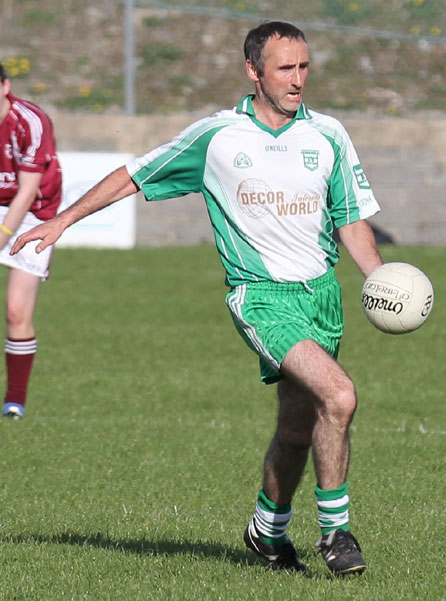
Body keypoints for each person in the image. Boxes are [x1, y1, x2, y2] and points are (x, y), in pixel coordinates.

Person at [11, 22, 383, 574]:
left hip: (321, 297)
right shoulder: (218, 137)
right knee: (341, 396)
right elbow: (135, 174)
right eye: (285, 68)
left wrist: (379, 282)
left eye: (304, 67)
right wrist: (62, 220)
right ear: (253, 72)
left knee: (297, 426)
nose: (298, 79)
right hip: (260, 298)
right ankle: (337, 534)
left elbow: (351, 223)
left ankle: (267, 530)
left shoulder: (327, 134)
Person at [0, 63, 62, 419]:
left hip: (33, 212)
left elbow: (27, 191)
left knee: (16, 310)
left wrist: (4, 236)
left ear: (5, 85)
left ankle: (15, 401)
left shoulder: (31, 122)